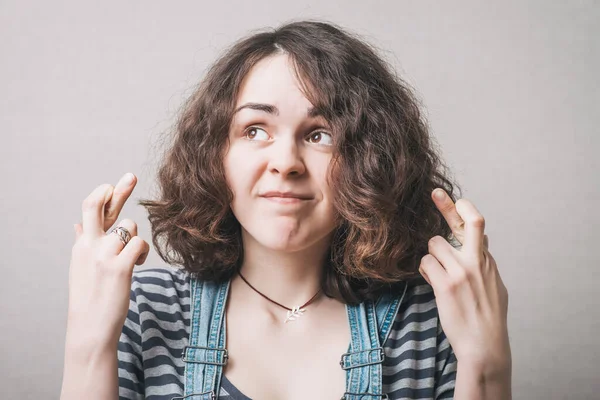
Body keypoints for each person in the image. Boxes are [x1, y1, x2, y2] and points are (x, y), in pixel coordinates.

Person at [60, 20, 511, 400]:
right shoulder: (147, 309)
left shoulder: (428, 320)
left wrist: (485, 362)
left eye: (320, 134)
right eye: (255, 130)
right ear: (214, 154)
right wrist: (88, 341)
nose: (286, 163)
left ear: (371, 160)